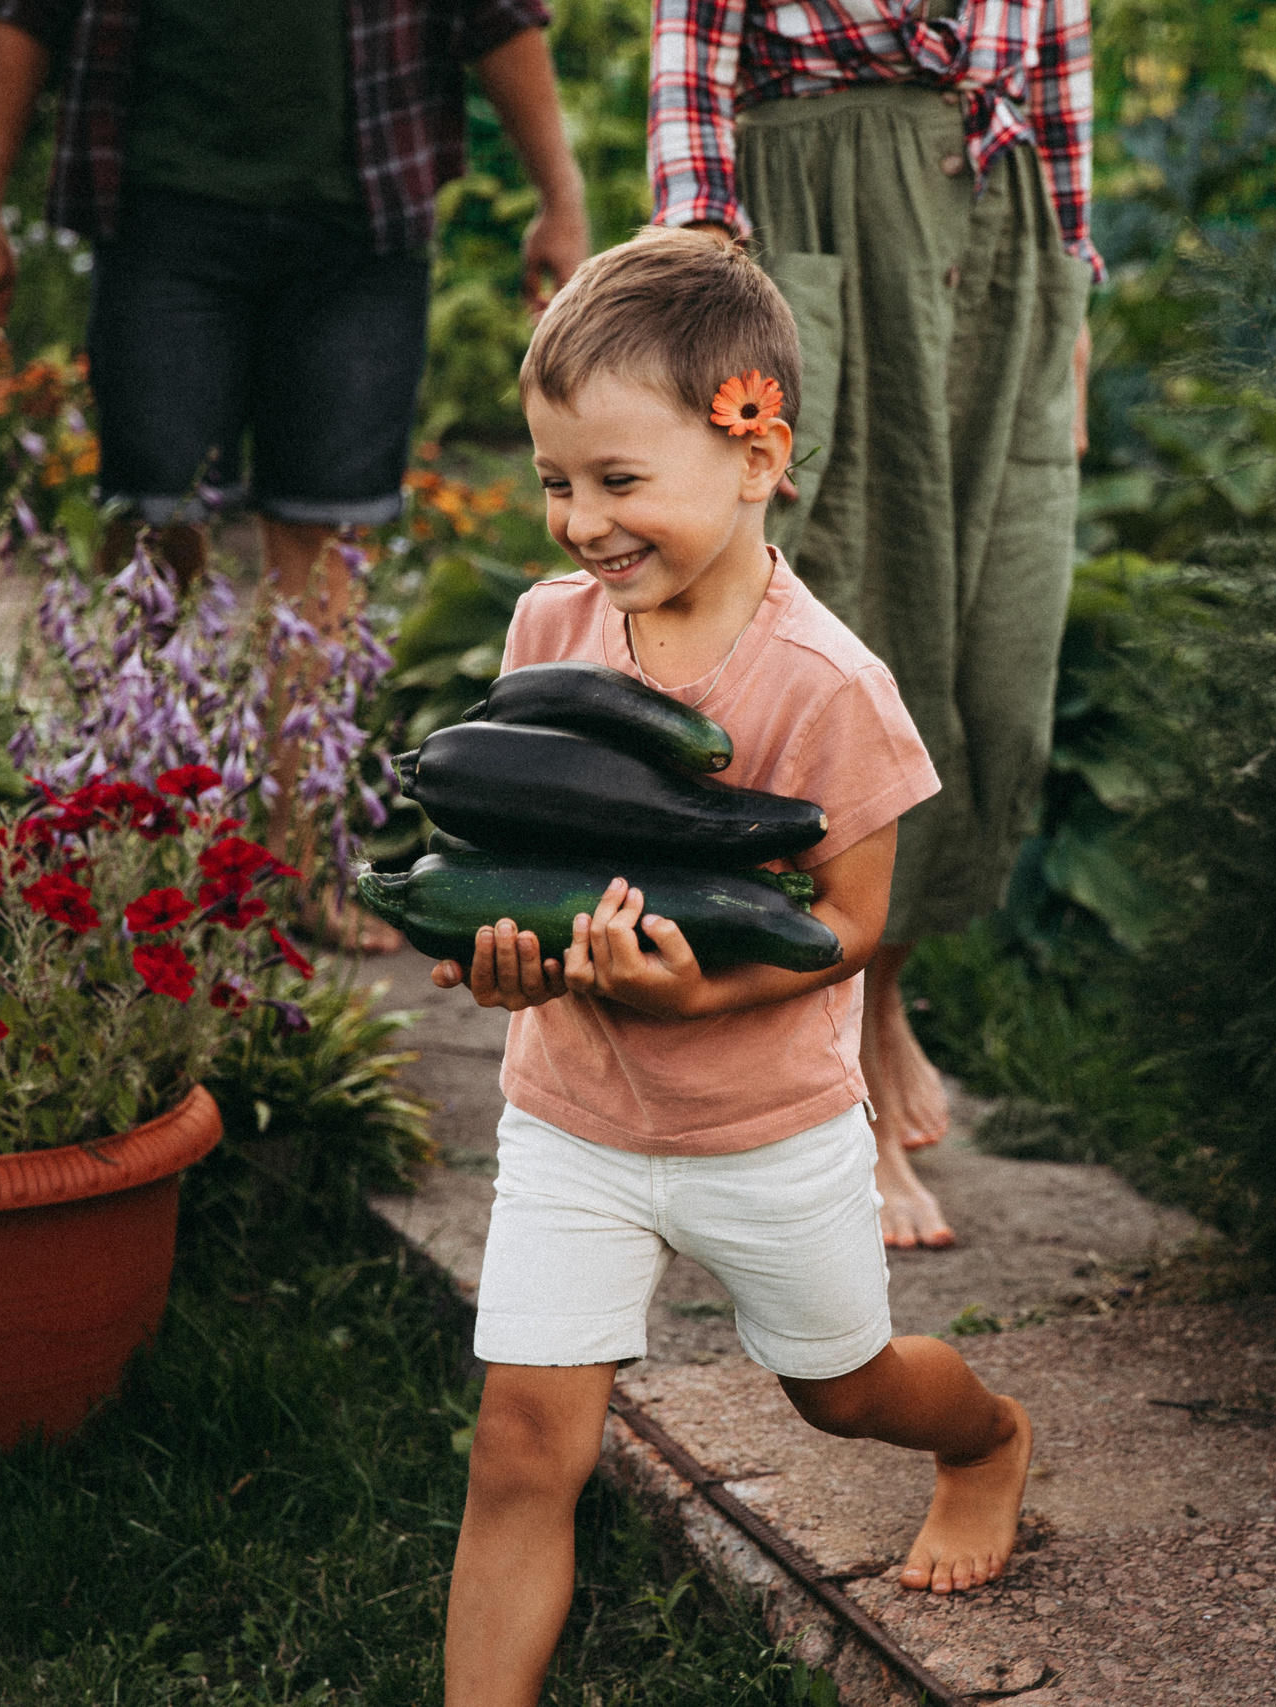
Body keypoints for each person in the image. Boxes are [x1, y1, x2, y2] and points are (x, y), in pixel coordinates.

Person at [428, 229, 1032, 1705]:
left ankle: (986, 1438)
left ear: (756, 452)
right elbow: (529, 856)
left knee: (842, 1392)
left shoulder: (828, 684)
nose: (579, 521)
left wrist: (693, 992)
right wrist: (508, 967)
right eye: (557, 479)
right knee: (522, 1443)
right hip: (574, 1115)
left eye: (620, 481)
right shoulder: (548, 631)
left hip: (765, 1125)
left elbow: (846, 923)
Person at [0, 0, 589, 929]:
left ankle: (300, 867)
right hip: (164, 223)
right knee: (152, 530)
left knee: (322, 549)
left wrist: (561, 201)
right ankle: (144, 848)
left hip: (359, 231)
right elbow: (20, 20)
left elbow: (498, 19)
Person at [647, 0, 1099, 1248]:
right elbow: (692, 77)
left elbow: (1059, 93)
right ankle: (832, 1064)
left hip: (1001, 251)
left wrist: (1070, 320)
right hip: (810, 242)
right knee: (844, 657)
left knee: (997, 675)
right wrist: (697, 312)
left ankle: (881, 994)